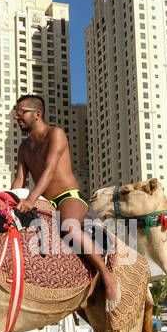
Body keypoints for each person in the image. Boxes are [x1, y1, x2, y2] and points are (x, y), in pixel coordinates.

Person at [11, 95, 121, 313]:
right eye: (16, 112)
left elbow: (50, 169)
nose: (17, 116)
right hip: (44, 202)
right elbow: (19, 180)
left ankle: (108, 278)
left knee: (68, 227)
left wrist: (31, 199)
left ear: (37, 114)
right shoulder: (24, 148)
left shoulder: (56, 134)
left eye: (21, 111)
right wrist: (9, 200)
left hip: (68, 197)